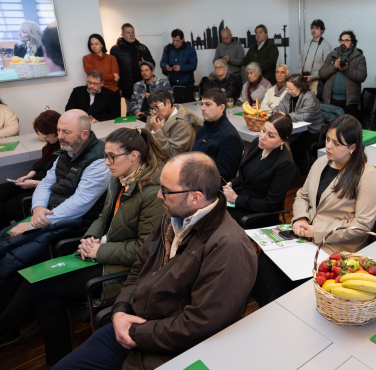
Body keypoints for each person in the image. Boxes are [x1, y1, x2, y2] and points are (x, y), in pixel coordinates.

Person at [0, 127, 166, 364]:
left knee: (36, 285)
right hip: (100, 252)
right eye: (105, 156)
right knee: (45, 298)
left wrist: (99, 250)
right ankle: (57, 361)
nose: (106, 163)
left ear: (134, 156)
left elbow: (143, 250)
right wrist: (90, 238)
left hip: (120, 269)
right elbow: (102, 217)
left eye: (111, 157)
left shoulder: (152, 192)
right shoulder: (120, 178)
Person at [52, 152, 257, 370]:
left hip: (171, 346)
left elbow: (198, 324)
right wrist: (120, 310)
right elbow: (139, 267)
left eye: (166, 191)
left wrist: (133, 331)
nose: (159, 196)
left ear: (195, 197)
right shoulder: (172, 216)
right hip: (136, 321)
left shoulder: (229, 247)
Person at [0, 110, 111, 329]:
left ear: (84, 134)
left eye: (66, 131)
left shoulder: (98, 160)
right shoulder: (67, 151)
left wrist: (34, 222)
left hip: (72, 223)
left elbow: (79, 205)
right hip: (47, 216)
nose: (60, 135)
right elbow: (46, 183)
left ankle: (12, 323)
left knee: (7, 262)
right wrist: (37, 209)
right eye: (58, 130)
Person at [251, 114, 376, 307]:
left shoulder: (368, 176)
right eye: (328, 139)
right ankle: (264, 310)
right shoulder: (321, 163)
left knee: (283, 275)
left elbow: (362, 226)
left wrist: (316, 231)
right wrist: (301, 218)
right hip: (305, 236)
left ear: (352, 147)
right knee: (267, 259)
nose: (328, 146)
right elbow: (302, 195)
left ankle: (275, 313)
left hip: (334, 248)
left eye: (337, 143)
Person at [0, 110, 61, 262]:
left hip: (42, 188)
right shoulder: (50, 145)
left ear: (55, 129)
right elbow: (40, 163)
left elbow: (60, 182)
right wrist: (30, 174)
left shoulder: (65, 148)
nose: (43, 137)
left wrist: (32, 183)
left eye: (45, 133)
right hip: (33, 182)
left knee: (1, 211)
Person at [222, 113, 295, 227]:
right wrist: (232, 184)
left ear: (282, 141)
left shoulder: (285, 164)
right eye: (263, 130)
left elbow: (270, 205)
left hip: (258, 214)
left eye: (271, 136)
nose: (262, 137)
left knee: (216, 221)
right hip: (240, 200)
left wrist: (236, 199)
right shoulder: (257, 144)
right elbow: (244, 176)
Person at [192, 88, 243, 183]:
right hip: (193, 178)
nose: (202, 108)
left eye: (208, 104)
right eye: (202, 104)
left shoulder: (230, 137)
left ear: (221, 108)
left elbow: (222, 177)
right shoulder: (203, 128)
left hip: (206, 187)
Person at [274, 74, 324, 172]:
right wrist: (276, 112)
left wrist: (287, 116)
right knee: (281, 140)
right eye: (287, 88)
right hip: (295, 128)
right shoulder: (288, 95)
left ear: (300, 87)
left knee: (294, 146)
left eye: (291, 89)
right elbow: (279, 107)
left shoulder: (309, 96)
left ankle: (296, 170)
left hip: (312, 130)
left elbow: (306, 116)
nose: (289, 91)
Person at [318, 30, 367, 119]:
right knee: (331, 126)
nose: (343, 43)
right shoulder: (332, 56)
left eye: (346, 40)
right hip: (330, 99)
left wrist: (347, 69)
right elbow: (321, 73)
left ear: (352, 43)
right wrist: (333, 66)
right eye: (341, 40)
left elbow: (362, 76)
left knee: (347, 128)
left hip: (349, 102)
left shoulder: (359, 57)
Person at [144, 88, 201, 159]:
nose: (154, 112)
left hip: (168, 163)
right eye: (152, 108)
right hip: (152, 156)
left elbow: (173, 152)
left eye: (156, 107)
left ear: (168, 103)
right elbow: (144, 137)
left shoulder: (182, 122)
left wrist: (157, 131)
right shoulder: (158, 115)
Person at [110, 23, 155, 100]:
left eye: (132, 32)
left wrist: (146, 62)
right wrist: (119, 87)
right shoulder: (115, 50)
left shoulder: (142, 47)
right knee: (131, 111)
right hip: (127, 88)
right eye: (128, 33)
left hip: (144, 86)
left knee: (148, 109)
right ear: (122, 34)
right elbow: (114, 71)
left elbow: (152, 64)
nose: (131, 35)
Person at [298, 20, 333, 94]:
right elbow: (301, 59)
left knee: (314, 103)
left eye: (317, 28)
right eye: (312, 28)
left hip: (316, 82)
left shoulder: (326, 46)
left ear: (322, 30)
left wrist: (313, 76)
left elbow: (327, 66)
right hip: (303, 81)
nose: (314, 30)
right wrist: (300, 72)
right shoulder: (306, 44)